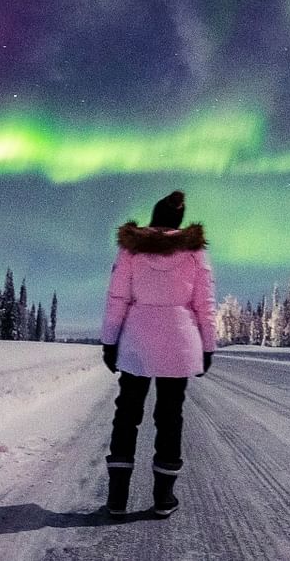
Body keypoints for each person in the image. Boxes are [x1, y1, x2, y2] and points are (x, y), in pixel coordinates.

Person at [99, 190, 217, 518]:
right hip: (179, 343)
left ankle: (117, 498)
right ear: (179, 221)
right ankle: (164, 498)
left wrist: (110, 341)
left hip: (137, 341)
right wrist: (208, 346)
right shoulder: (194, 253)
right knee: (169, 418)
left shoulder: (131, 251)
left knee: (127, 415)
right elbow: (205, 306)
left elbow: (117, 298)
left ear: (153, 219)